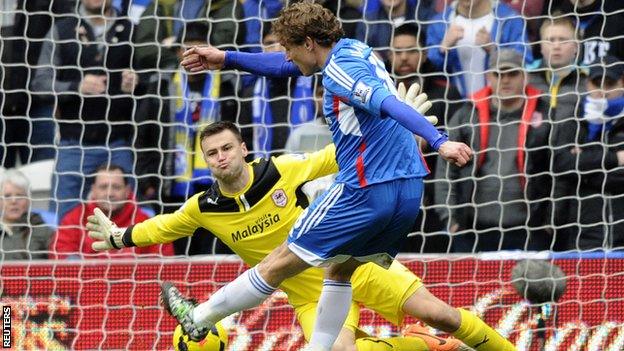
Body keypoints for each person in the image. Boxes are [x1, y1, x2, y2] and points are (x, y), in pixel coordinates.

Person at [88, 121, 511, 351]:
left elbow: (338, 155)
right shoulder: (204, 207)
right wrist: (119, 238)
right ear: (206, 161)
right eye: (212, 153)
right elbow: (161, 226)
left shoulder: (281, 170)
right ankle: (422, 347)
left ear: (243, 149)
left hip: (352, 264)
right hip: (310, 297)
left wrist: (400, 130)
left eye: (227, 148)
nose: (221, 158)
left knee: (443, 316)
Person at [435, 49, 553, 253]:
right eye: (498, 74)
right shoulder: (466, 115)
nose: (505, 80)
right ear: (489, 76)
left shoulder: (546, 116)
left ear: (525, 75)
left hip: (530, 230)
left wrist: (551, 220)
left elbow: (557, 172)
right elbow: (446, 170)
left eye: (512, 73)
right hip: (473, 229)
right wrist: (450, 217)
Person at [30, 0, 139, 221]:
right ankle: (67, 258)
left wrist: (137, 82)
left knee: (131, 220)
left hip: (119, 143)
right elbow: (40, 83)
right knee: (65, 220)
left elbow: (154, 76)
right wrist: (76, 87)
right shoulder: (61, 29)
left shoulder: (132, 30)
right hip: (73, 143)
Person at [389, 22, 462, 252]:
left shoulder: (445, 91)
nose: (403, 58)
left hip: (431, 197)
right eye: (397, 51)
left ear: (423, 52)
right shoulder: (379, 89)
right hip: (388, 194)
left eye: (410, 50)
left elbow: (459, 135)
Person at [552, 56, 624, 250]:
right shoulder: (574, 121)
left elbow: (574, 168)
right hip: (580, 234)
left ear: (622, 83)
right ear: (587, 84)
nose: (602, 91)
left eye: (609, 83)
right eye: (596, 83)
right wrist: (616, 158)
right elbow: (561, 165)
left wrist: (584, 167)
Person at [50, 164, 174, 259]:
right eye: (103, 187)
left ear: (127, 191)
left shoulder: (146, 223)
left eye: (116, 187)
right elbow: (60, 257)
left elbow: (164, 262)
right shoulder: (75, 219)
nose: (109, 194)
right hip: (87, 291)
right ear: (93, 190)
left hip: (134, 291)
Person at [426, 0, 532, 97]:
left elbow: (524, 62)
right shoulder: (439, 23)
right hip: (456, 108)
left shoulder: (509, 19)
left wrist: (494, 51)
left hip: (498, 105)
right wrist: (442, 49)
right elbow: (427, 72)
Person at [0, 169, 52, 260]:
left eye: (19, 196)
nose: (13, 201)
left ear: (29, 199)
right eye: (7, 196)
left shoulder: (42, 230)